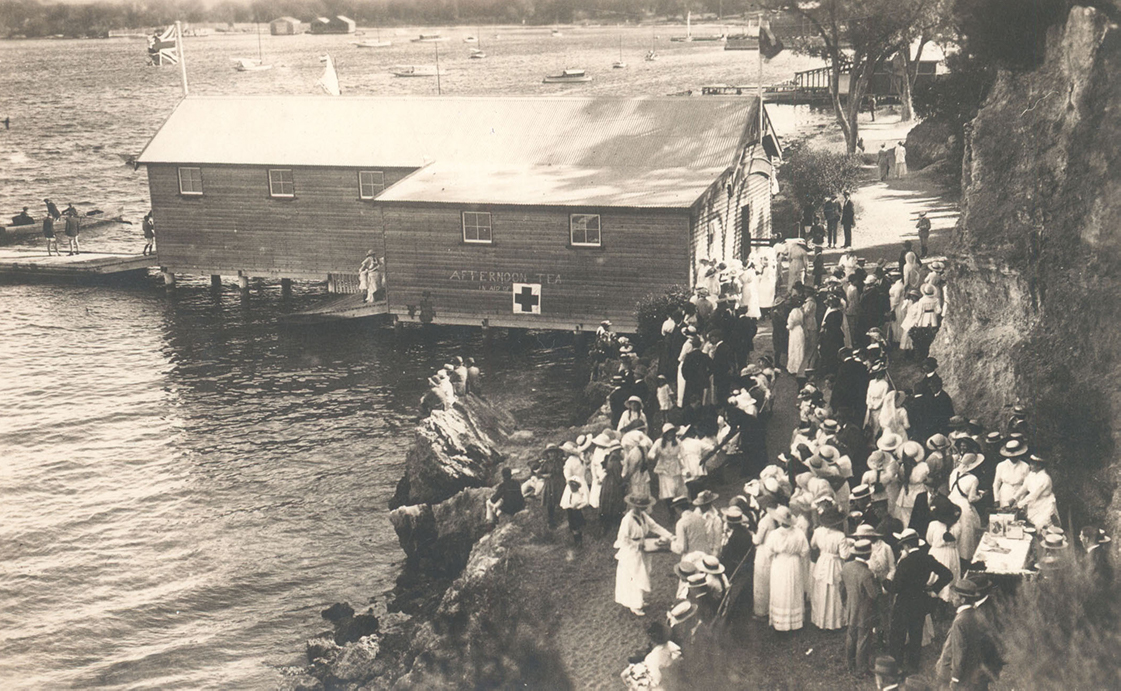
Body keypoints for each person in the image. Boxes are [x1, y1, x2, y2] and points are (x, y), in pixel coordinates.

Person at [885, 529, 954, 675]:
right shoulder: (927, 558)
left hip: (904, 602)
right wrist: (933, 589)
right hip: (920, 600)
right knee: (916, 634)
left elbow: (896, 587)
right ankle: (913, 666)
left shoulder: (905, 562)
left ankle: (896, 665)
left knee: (898, 634)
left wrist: (885, 582)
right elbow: (947, 574)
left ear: (906, 546)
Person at [936, 579, 1004, 690]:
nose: (952, 598)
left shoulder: (960, 621)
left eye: (955, 595)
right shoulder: (977, 615)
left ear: (962, 599)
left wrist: (955, 679)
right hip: (975, 674)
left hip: (962, 678)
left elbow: (959, 651)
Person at [615, 494, 673, 616]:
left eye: (643, 506)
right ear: (633, 506)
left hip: (642, 549)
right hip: (631, 551)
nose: (642, 508)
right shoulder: (627, 520)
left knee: (643, 573)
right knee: (634, 576)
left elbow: (654, 526)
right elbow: (622, 539)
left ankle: (638, 600)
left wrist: (670, 536)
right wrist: (636, 545)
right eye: (639, 506)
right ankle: (635, 605)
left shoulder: (643, 516)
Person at [766, 505, 810, 631]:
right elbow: (805, 551)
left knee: (780, 590)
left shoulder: (774, 534)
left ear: (779, 520)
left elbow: (768, 551)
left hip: (780, 563)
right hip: (793, 564)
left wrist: (778, 553)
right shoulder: (799, 533)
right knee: (793, 589)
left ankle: (781, 622)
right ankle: (793, 622)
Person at [841, 539, 881, 675]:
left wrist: (845, 603)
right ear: (868, 555)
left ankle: (850, 664)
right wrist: (877, 580)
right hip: (864, 611)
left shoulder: (846, 567)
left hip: (851, 608)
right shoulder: (867, 574)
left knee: (851, 636)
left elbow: (842, 588)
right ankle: (861, 669)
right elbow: (874, 594)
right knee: (863, 639)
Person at [811, 506, 847, 630]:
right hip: (835, 563)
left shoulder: (818, 532)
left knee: (821, 590)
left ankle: (820, 620)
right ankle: (834, 622)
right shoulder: (840, 536)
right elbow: (844, 555)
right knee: (835, 592)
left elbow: (813, 545)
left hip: (822, 562)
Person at [1014, 454, 1058, 530]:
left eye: (1033, 464)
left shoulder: (1045, 478)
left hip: (1044, 505)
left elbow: (1033, 495)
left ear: (1040, 466)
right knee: (1033, 523)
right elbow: (1024, 487)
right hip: (1035, 503)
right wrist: (1014, 498)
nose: (1030, 466)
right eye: (1031, 464)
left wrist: (1019, 505)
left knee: (1043, 526)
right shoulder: (1031, 474)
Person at [992, 440, 1030, 510]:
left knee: (1018, 515)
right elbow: (996, 483)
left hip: (1019, 493)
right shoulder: (1001, 465)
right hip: (1005, 493)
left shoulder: (1025, 466)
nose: (1013, 458)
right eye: (1011, 456)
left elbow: (1026, 485)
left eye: (1016, 456)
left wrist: (1017, 499)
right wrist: (996, 499)